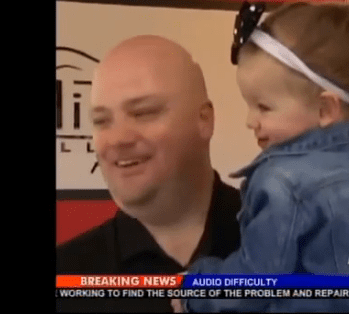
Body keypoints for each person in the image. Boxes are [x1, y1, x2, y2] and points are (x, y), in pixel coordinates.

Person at [179, 2, 349, 312]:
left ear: (325, 109)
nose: (250, 120)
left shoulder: (280, 182)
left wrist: (195, 287)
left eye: (263, 107)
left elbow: (252, 284)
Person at [56, 35, 242, 313]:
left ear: (204, 120)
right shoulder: (66, 275)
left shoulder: (302, 243)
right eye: (101, 121)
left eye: (143, 113)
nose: (118, 139)